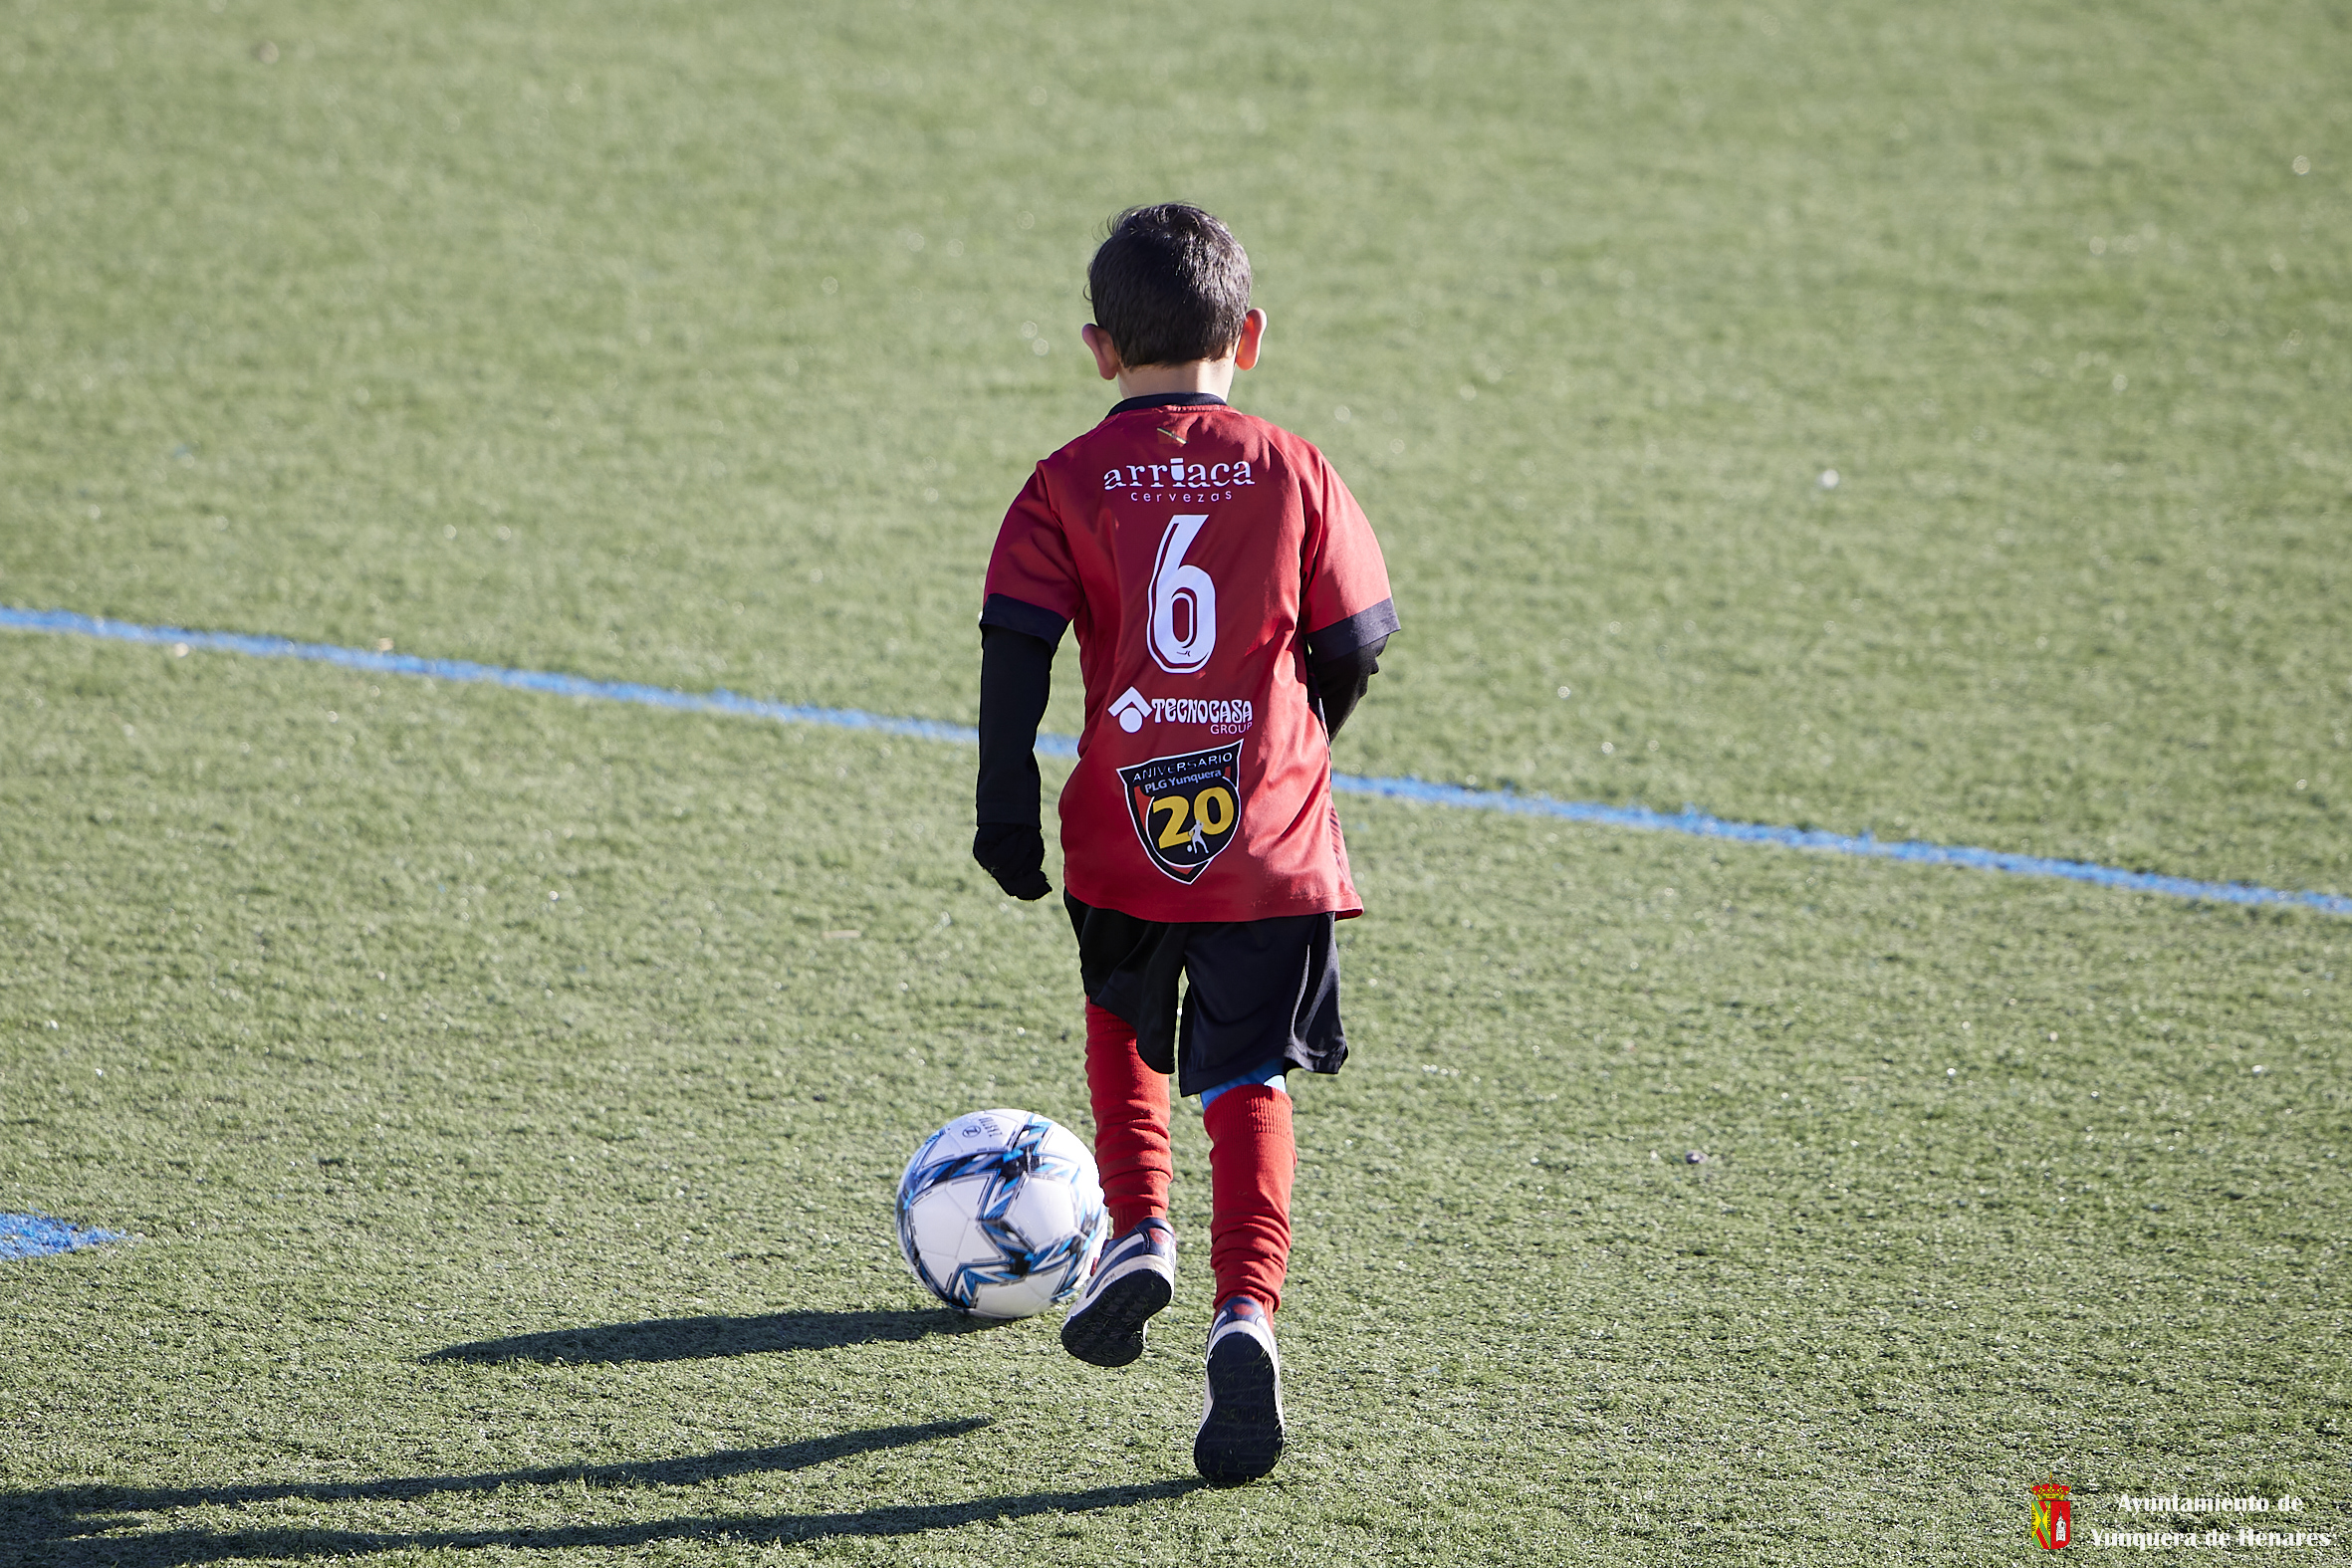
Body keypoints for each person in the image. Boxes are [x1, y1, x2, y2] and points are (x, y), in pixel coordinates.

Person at [971, 203, 1397, 1485]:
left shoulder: (1065, 478)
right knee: (1248, 1076)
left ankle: (1139, 1234)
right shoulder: (1295, 465)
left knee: (1122, 1029)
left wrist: (1004, 806)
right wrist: (1304, 728)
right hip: (1270, 835)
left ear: (1100, 348)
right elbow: (1358, 636)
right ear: (1248, 336)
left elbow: (1015, 643)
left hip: (1124, 827)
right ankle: (1245, 1315)